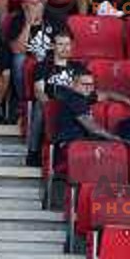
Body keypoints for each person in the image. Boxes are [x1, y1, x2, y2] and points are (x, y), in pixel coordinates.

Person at [53, 67, 130, 161]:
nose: (88, 88)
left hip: (82, 142)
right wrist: (117, 139)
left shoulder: (84, 96)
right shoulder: (74, 99)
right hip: (70, 145)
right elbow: (93, 129)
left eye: (91, 84)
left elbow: (108, 94)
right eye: (84, 84)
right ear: (73, 84)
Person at [26, 28, 83, 166]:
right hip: (51, 103)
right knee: (40, 107)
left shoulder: (78, 67)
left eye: (67, 44)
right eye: (60, 44)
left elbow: (84, 90)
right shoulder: (43, 66)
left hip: (71, 107)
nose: (65, 48)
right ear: (52, 46)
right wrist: (48, 105)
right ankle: (33, 152)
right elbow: (39, 90)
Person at [7, 0, 65, 112]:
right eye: (32, 4)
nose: (37, 7)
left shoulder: (54, 19)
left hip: (49, 60)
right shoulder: (17, 21)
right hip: (28, 60)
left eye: (39, 3)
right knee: (18, 60)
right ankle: (23, 100)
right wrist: (28, 24)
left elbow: (67, 45)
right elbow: (17, 49)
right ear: (24, 6)